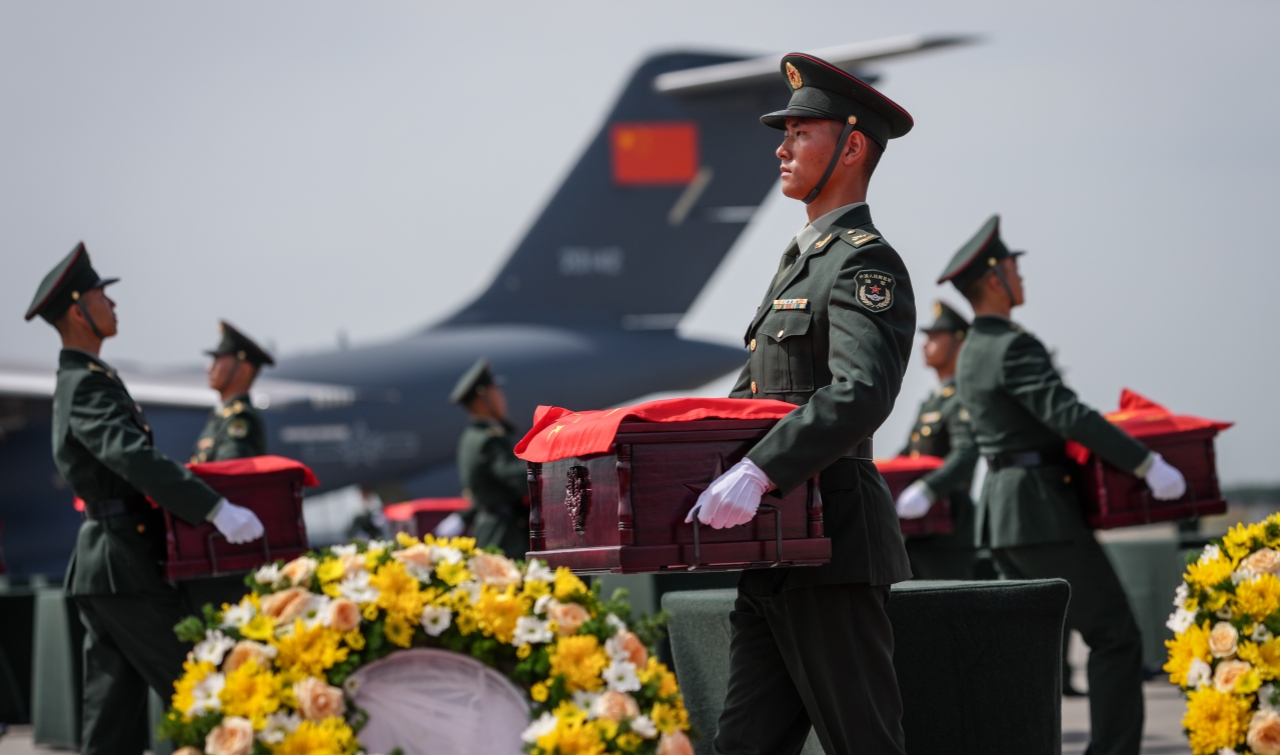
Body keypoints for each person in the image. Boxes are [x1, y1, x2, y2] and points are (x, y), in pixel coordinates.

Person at [687, 54, 916, 755]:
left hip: (834, 539)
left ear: (851, 146)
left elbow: (860, 391)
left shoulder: (861, 263)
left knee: (865, 743)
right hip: (777, 544)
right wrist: (683, 452)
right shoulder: (803, 263)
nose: (780, 147)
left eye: (800, 132)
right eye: (782, 133)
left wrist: (760, 471)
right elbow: (754, 398)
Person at [939, 216, 1187, 755]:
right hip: (1040, 512)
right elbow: (1066, 413)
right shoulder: (1011, 346)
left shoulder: (974, 349)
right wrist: (1146, 463)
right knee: (1116, 637)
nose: (1020, 275)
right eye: (1013, 267)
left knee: (1030, 648)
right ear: (995, 278)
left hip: (1004, 515)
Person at [24, 243, 265, 755]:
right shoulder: (87, 385)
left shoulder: (92, 379)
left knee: (113, 720)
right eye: (101, 297)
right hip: (123, 565)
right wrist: (214, 509)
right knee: (203, 692)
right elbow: (131, 457)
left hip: (111, 564)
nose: (113, 306)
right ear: (77, 311)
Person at [894, 301, 982, 580]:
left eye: (935, 337)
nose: (924, 345)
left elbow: (966, 453)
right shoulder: (932, 402)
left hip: (950, 526)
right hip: (920, 526)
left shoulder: (963, 396)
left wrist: (928, 490)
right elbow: (907, 456)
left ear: (960, 343)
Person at [435, 359, 529, 558]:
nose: (503, 398)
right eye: (496, 391)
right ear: (481, 399)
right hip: (505, 535)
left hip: (489, 529)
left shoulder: (471, 437)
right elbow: (519, 479)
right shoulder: (489, 439)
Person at [191, 320, 274, 463]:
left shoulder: (239, 417)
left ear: (243, 370)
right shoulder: (222, 416)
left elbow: (229, 470)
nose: (209, 368)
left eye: (217, 360)